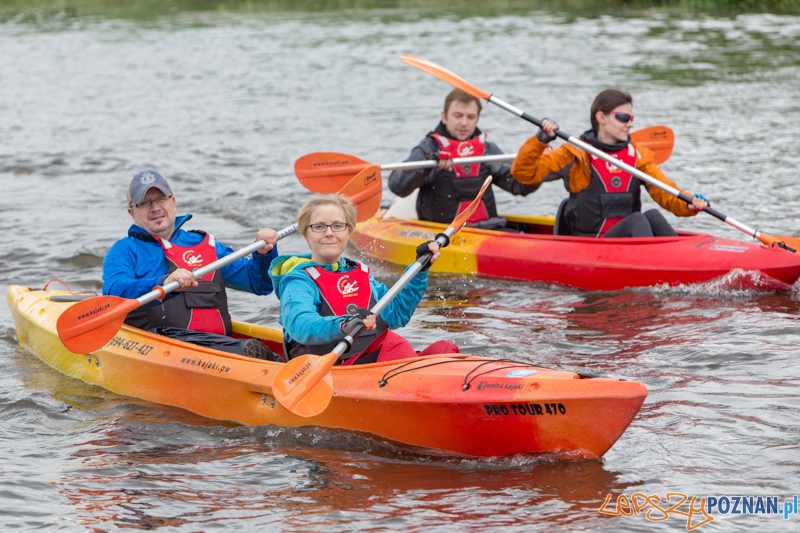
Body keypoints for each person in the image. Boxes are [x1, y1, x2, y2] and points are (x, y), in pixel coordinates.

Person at [102, 170, 280, 360]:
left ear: (173, 202)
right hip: (160, 347)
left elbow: (259, 284)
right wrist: (163, 282)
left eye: (161, 199)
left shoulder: (206, 245)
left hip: (219, 345)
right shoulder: (124, 250)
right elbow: (114, 292)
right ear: (132, 214)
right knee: (251, 351)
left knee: (272, 355)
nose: (155, 207)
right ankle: (249, 356)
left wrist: (264, 254)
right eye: (145, 203)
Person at [269, 195, 459, 365]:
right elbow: (300, 324)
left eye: (337, 225)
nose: (329, 232)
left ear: (348, 232)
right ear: (306, 235)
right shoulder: (298, 280)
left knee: (445, 351)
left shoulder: (359, 272)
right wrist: (343, 325)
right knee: (396, 345)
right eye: (319, 226)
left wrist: (419, 270)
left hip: (370, 363)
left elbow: (397, 314)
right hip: (327, 369)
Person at [511, 89, 709, 238]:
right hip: (592, 246)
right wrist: (540, 141)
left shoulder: (637, 155)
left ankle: (677, 264)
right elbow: (524, 174)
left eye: (631, 118)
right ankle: (660, 273)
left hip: (625, 243)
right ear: (601, 118)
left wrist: (690, 203)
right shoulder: (575, 153)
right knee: (637, 220)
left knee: (653, 216)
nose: (630, 124)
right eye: (623, 117)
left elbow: (666, 192)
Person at [388, 88, 539, 229]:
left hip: (488, 230)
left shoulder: (487, 150)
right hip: (442, 236)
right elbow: (397, 186)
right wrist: (429, 164)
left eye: (471, 117)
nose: (464, 123)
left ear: (477, 119)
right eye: (458, 115)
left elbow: (520, 186)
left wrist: (539, 165)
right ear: (444, 117)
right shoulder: (429, 149)